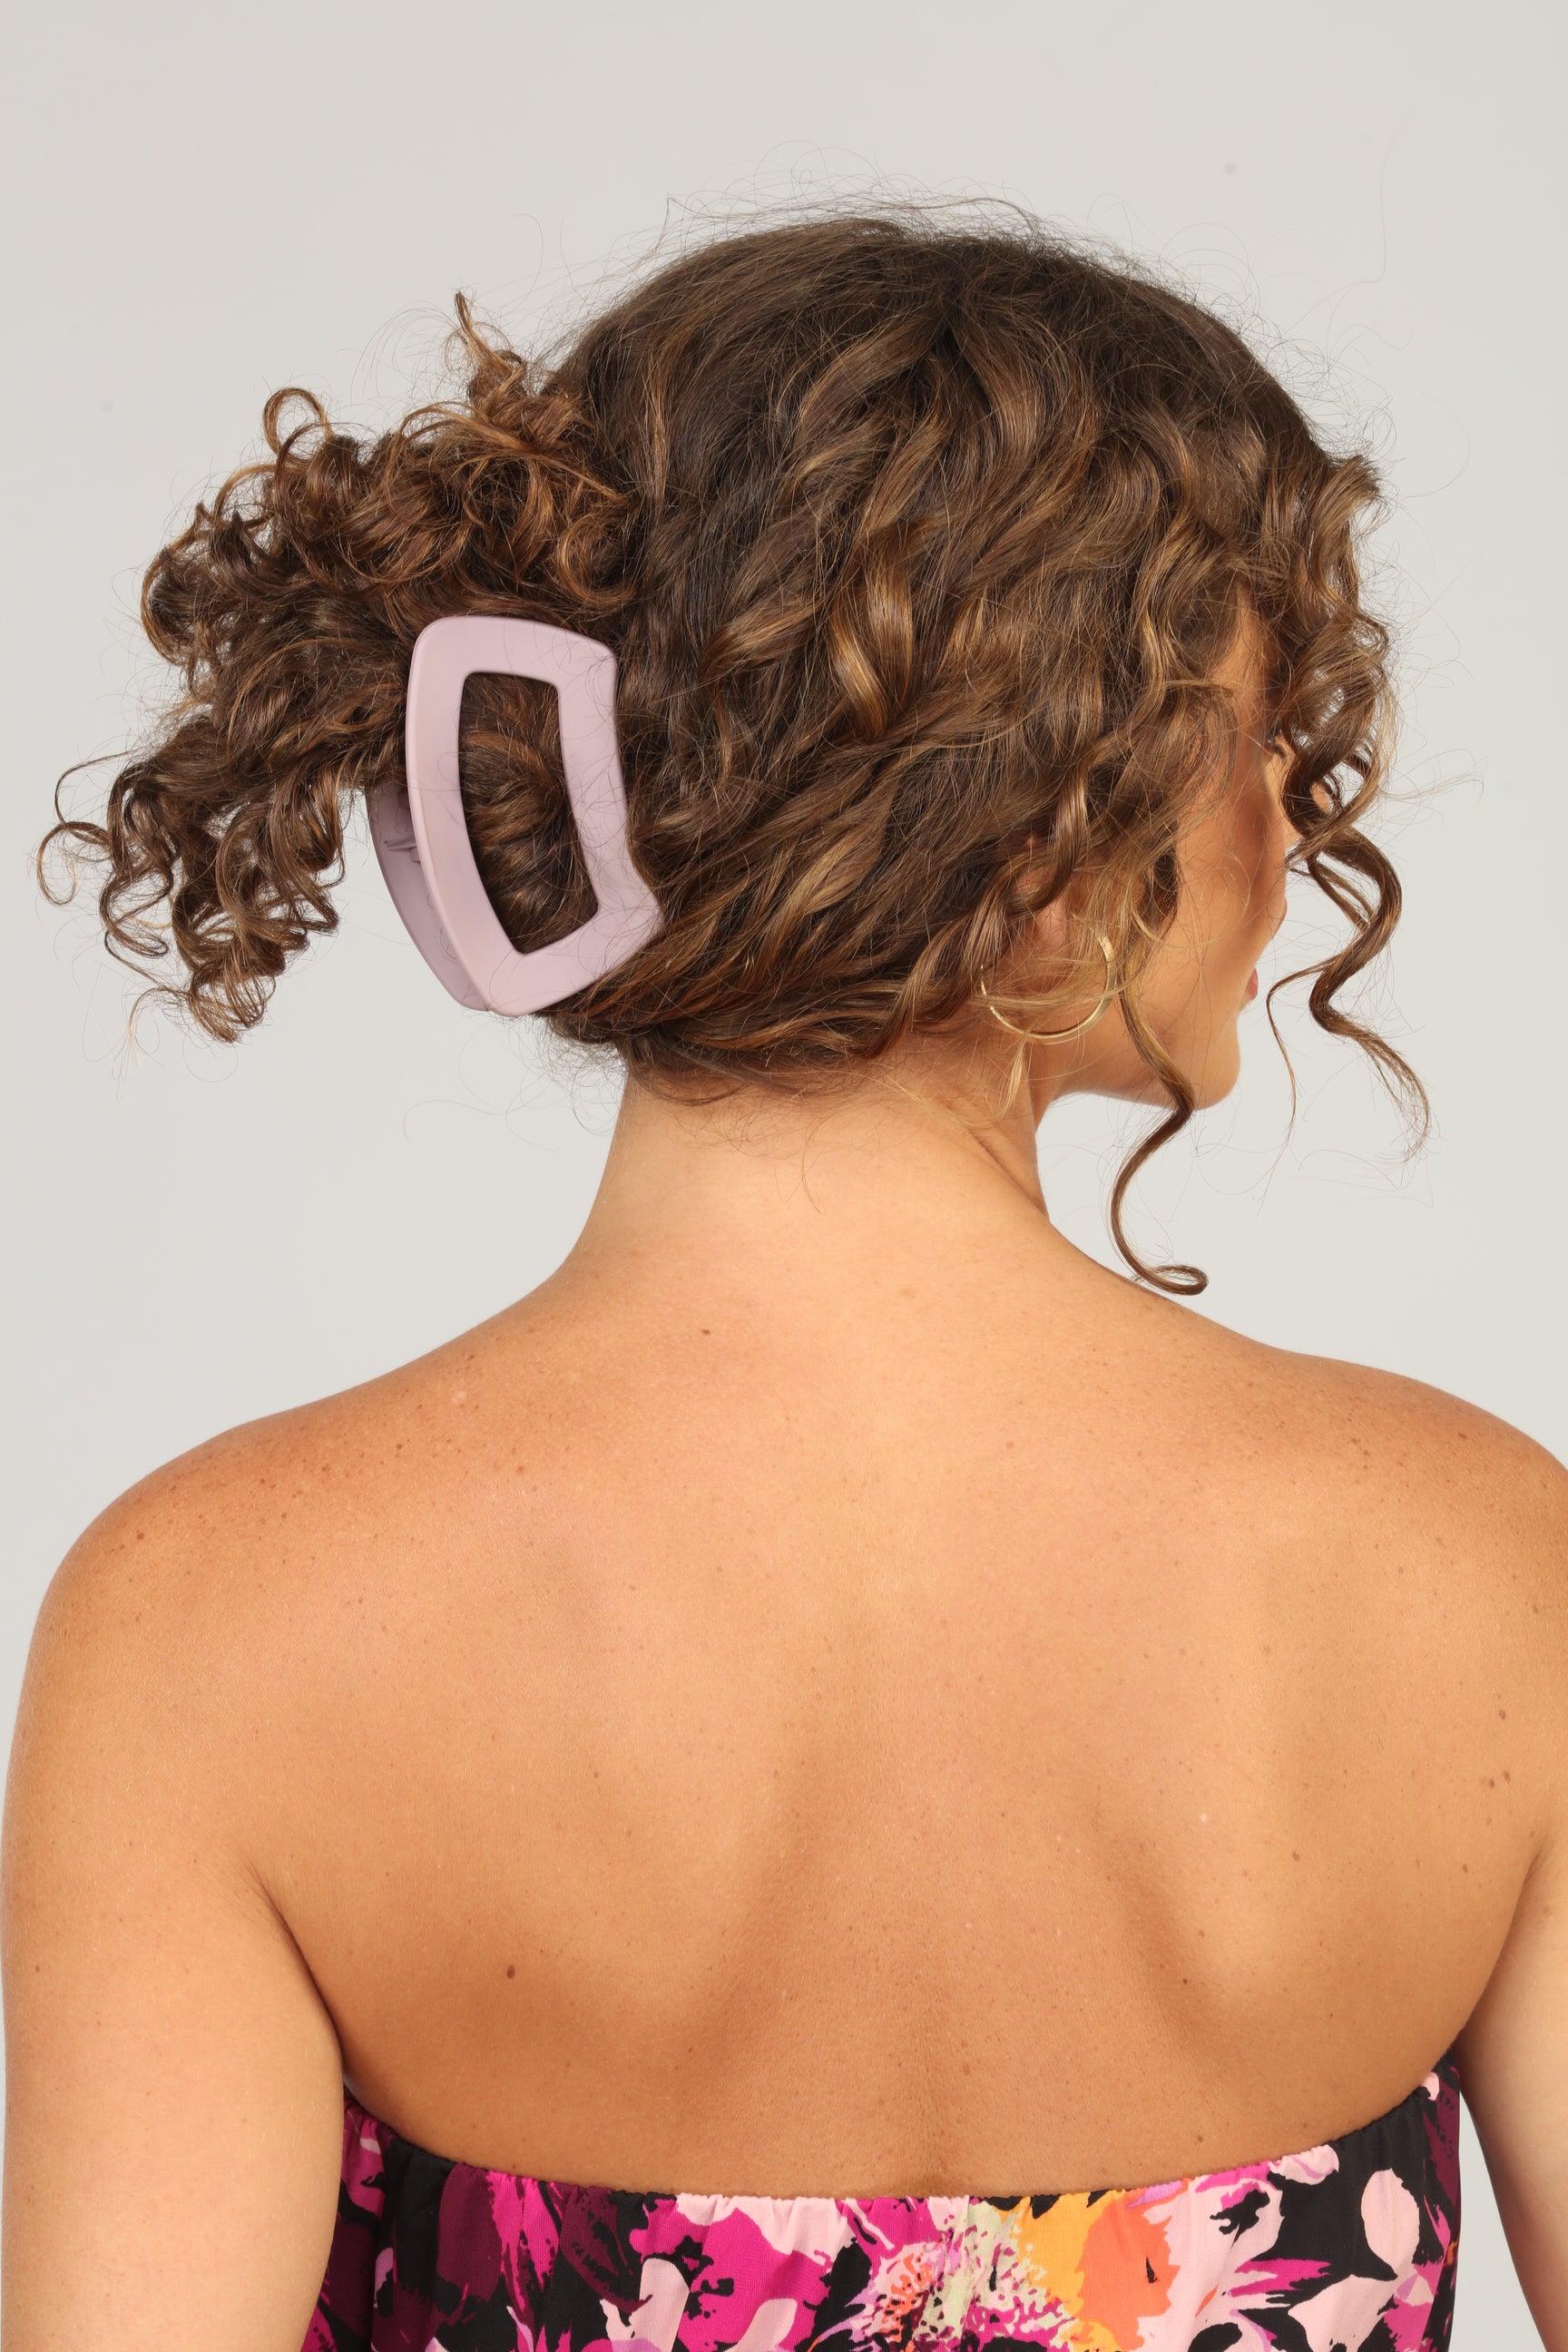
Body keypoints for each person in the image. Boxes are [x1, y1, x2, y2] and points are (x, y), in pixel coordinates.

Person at [5, 208, 1563, 2352]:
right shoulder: (1488, 1572)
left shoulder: (208, 1619)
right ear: (1039, 830)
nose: (1293, 829)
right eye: (1253, 732)